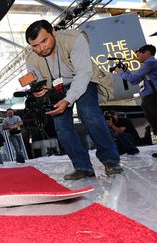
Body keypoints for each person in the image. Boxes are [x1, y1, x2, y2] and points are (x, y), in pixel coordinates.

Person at [25, 19, 122, 180]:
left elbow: (84, 73)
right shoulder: (31, 59)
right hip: (56, 89)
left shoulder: (75, 38)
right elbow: (38, 81)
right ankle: (82, 167)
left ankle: (111, 160)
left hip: (84, 80)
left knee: (89, 113)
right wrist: (39, 90)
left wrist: (68, 100)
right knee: (62, 127)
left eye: (44, 41)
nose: (41, 48)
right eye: (35, 46)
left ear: (53, 32)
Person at [115, 44, 157, 157]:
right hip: (148, 97)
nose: (136, 56)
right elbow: (134, 81)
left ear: (147, 53)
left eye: (138, 53)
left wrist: (120, 72)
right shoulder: (146, 65)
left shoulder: (150, 62)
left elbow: (133, 79)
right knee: (154, 123)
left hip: (153, 96)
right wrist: (126, 71)